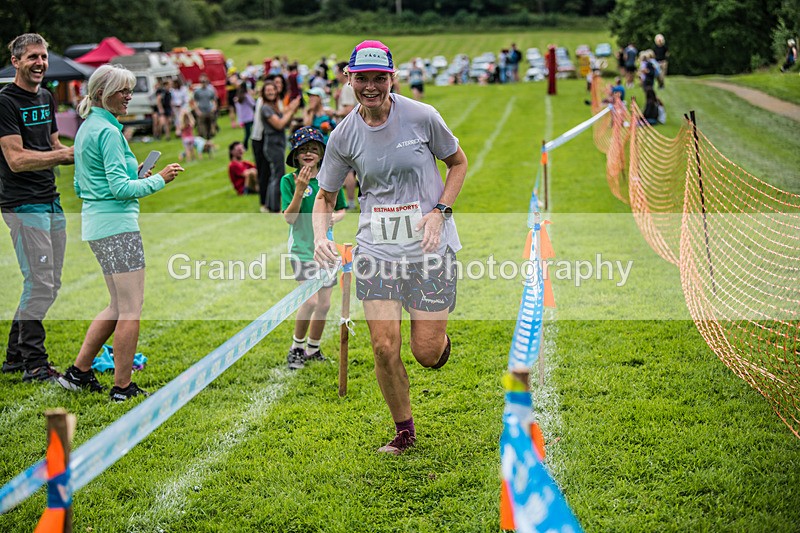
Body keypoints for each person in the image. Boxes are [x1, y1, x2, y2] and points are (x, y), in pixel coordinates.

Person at [313, 40, 468, 456]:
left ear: (391, 78)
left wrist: (440, 210)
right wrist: (319, 236)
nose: (370, 87)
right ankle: (404, 431)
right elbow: (325, 195)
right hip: (377, 249)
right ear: (349, 79)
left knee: (427, 353)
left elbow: (458, 163)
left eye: (378, 78)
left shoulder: (422, 116)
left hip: (430, 245)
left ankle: (439, 344)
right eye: (361, 78)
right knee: (383, 346)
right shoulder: (343, 134)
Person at [58, 64, 184, 401]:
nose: (129, 96)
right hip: (117, 228)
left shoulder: (89, 127)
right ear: (102, 94)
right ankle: (123, 387)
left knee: (116, 305)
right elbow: (118, 189)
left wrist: (137, 177)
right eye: (123, 91)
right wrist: (159, 180)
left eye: (130, 89)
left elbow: (82, 182)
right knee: (131, 308)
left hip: (98, 226)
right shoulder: (109, 132)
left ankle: (79, 372)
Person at [0, 33, 75, 382]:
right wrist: (62, 155)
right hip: (22, 203)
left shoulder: (46, 96)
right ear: (15, 61)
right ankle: (34, 363)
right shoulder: (5, 102)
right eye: (32, 57)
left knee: (50, 282)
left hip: (50, 198)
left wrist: (87, 150)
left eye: (43, 57)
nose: (40, 63)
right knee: (40, 282)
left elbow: (54, 143)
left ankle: (15, 357)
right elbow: (15, 159)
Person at [280, 127, 347, 370]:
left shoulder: (329, 179)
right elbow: (289, 218)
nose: (309, 153)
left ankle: (313, 348)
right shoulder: (288, 181)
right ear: (296, 154)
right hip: (302, 250)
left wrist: (334, 219)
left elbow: (341, 209)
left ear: (321, 153)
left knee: (325, 303)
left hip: (326, 250)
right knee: (309, 301)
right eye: (303, 149)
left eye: (314, 149)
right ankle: (296, 348)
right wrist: (300, 189)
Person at [260, 80, 300, 213]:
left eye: (272, 89)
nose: (271, 92)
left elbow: (285, 119)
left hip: (278, 143)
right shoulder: (265, 108)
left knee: (275, 175)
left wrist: (291, 110)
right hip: (273, 144)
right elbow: (279, 124)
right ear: (264, 93)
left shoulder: (274, 106)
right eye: (268, 90)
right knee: (278, 175)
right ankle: (275, 207)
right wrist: (292, 110)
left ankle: (271, 205)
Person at [193, 75, 217, 140]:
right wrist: (197, 110)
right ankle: (202, 137)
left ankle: (209, 136)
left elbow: (213, 99)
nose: (203, 83)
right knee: (201, 126)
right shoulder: (197, 91)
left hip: (209, 110)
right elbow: (195, 101)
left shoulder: (210, 90)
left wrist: (214, 107)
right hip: (201, 110)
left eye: (204, 81)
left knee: (210, 124)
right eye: (202, 82)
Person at [234, 81, 256, 150]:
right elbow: (252, 104)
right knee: (250, 132)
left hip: (244, 117)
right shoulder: (246, 95)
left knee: (248, 132)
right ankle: (245, 146)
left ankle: (246, 145)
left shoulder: (239, 96)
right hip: (250, 116)